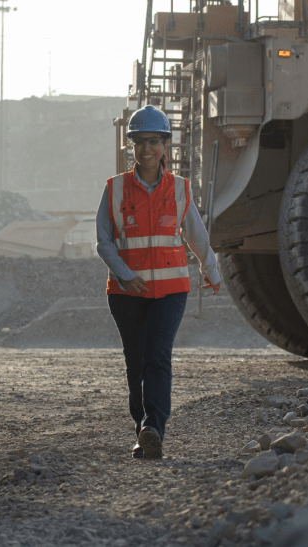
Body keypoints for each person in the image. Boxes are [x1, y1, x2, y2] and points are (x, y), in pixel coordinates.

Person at [96, 105, 221, 460]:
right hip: (126, 293)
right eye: (139, 141)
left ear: (165, 145)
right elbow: (103, 241)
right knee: (136, 362)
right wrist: (125, 273)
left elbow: (195, 234)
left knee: (157, 356)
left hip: (170, 290)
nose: (146, 148)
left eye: (153, 141)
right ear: (131, 145)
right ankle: (142, 427)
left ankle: (154, 429)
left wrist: (210, 269)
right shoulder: (115, 189)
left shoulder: (179, 189)